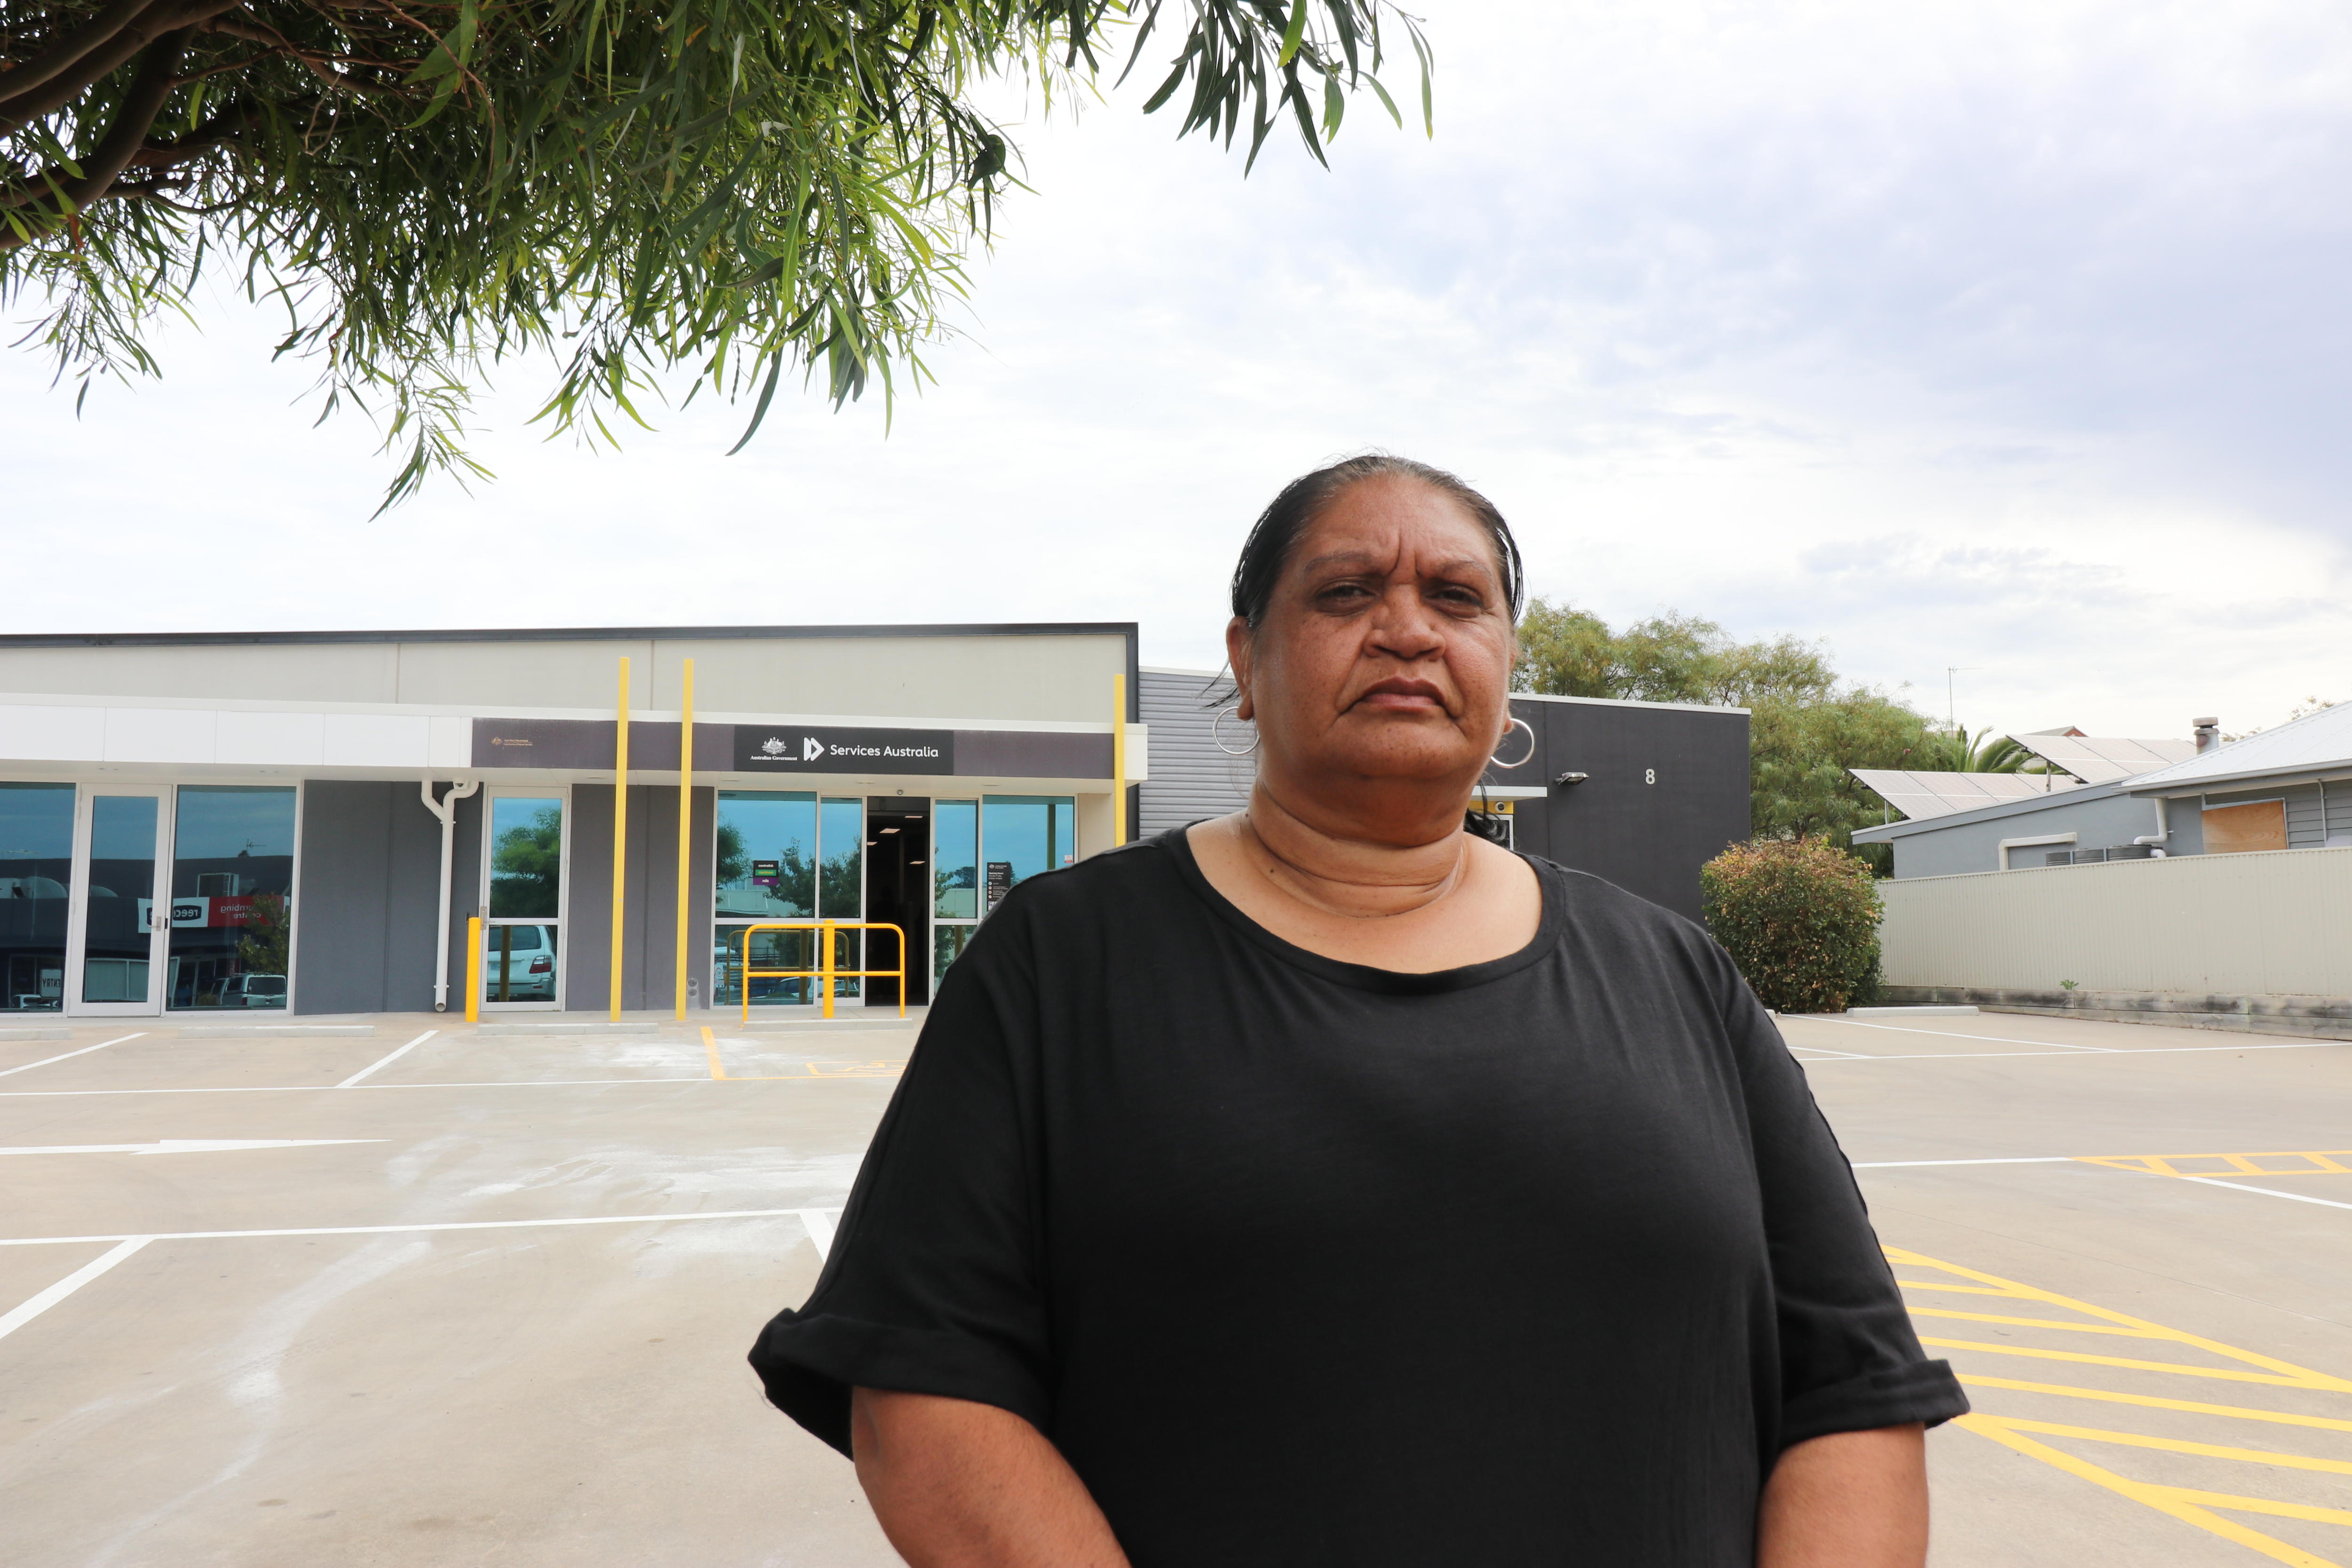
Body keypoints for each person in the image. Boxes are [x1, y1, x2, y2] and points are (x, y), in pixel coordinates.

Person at [749, 454, 1967, 1567]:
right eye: (1345, 593)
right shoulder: (1065, 964)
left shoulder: (1676, 978)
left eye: (1456, 598)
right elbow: (922, 1386)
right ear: (1245, 658)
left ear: (1504, 660)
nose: (1407, 630)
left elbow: (1851, 1389)